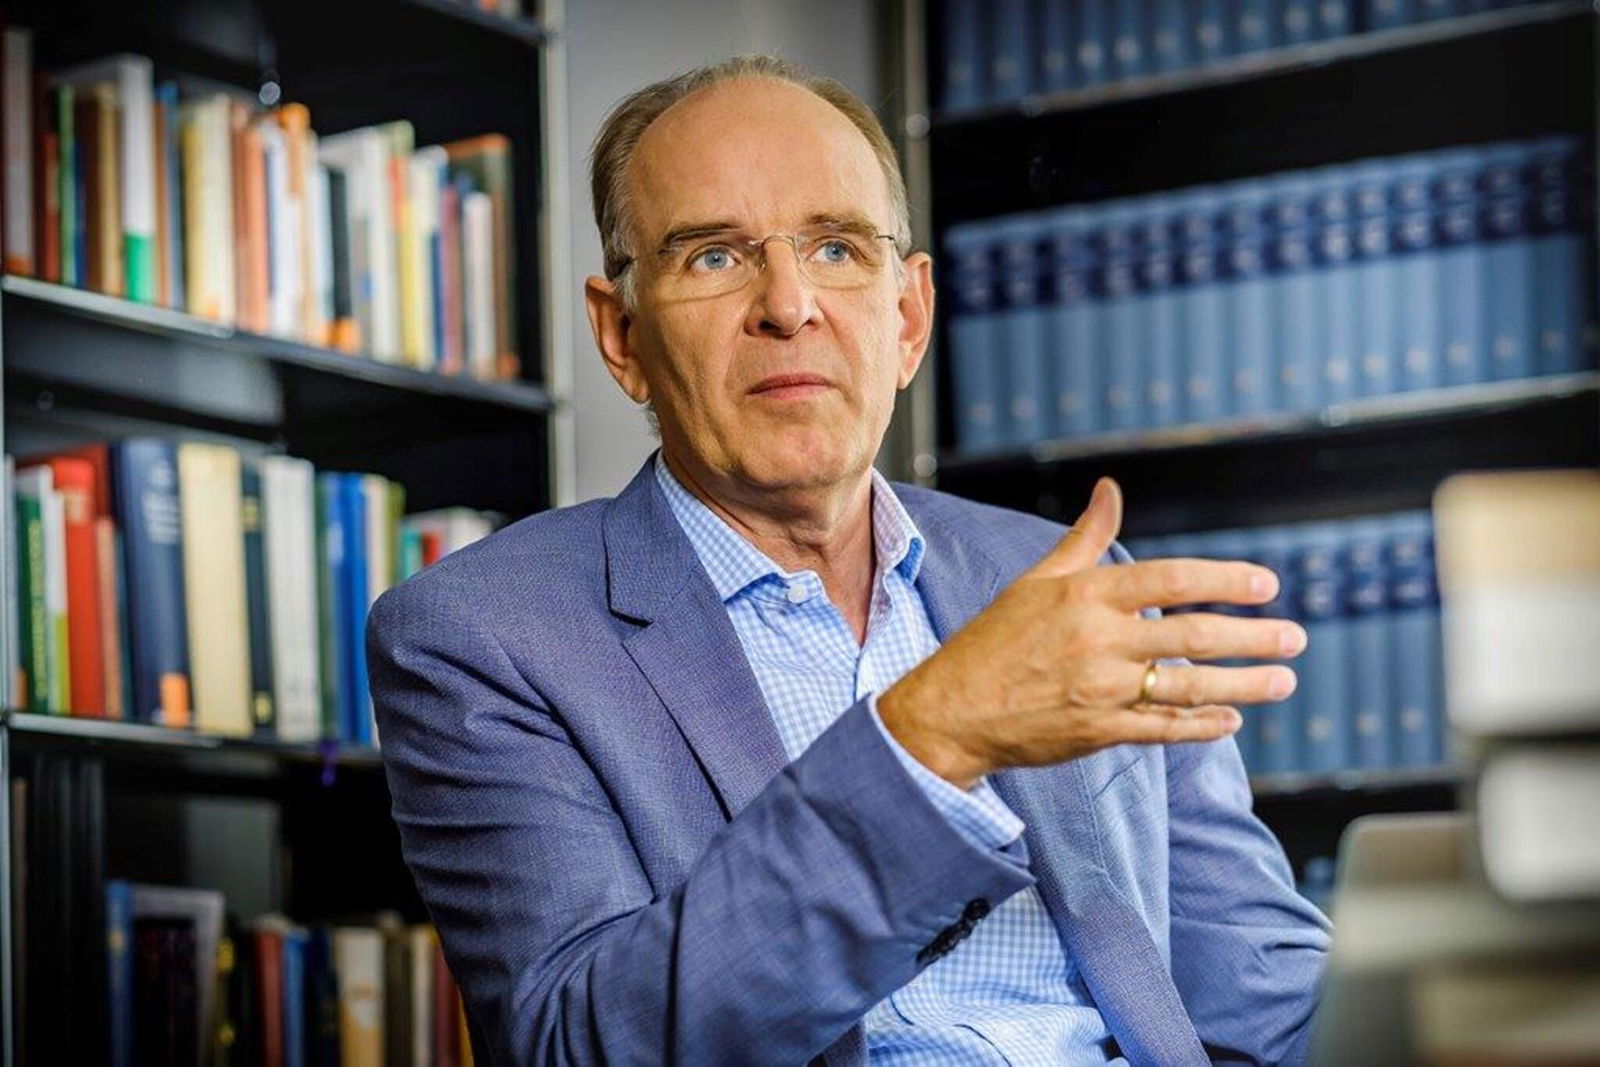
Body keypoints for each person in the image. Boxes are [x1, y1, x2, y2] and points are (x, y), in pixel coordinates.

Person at [366, 54, 1331, 1066]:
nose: (788, 305)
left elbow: (1263, 996)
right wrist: (934, 733)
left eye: (835, 247)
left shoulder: (1061, 576)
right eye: (713, 256)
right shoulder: (480, 636)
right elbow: (582, 1043)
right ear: (623, 337)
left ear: (907, 317)